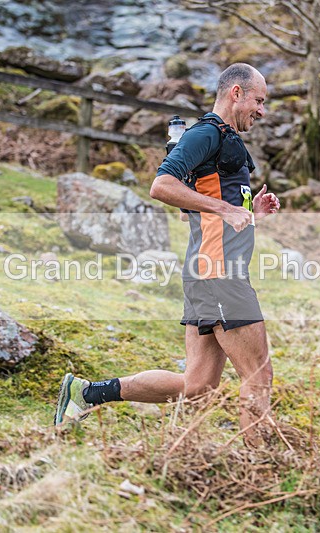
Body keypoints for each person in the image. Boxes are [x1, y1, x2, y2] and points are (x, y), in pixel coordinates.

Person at [54, 63, 281, 447]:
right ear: (236, 93)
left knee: (197, 386)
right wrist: (225, 209)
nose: (262, 110)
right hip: (220, 273)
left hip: (205, 272)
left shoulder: (225, 140)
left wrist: (250, 209)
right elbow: (161, 186)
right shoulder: (207, 133)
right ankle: (258, 467)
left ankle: (86, 393)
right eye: (258, 101)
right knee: (258, 377)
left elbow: (193, 206)